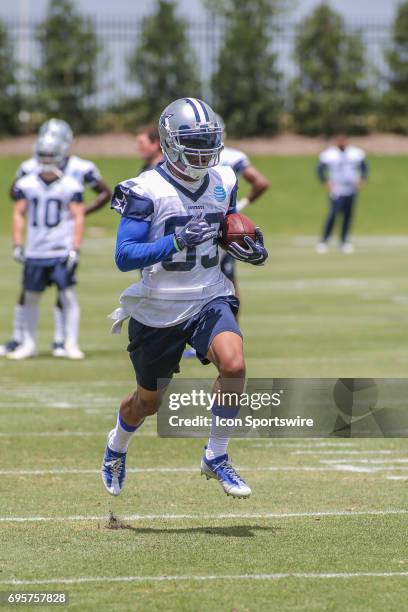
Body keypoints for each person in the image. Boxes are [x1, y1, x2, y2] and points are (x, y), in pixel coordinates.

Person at [101, 97, 268, 499]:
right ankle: (117, 444)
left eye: (208, 140)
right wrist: (174, 240)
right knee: (147, 403)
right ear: (171, 142)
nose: (203, 150)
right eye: (194, 141)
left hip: (209, 295)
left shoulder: (225, 179)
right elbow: (124, 256)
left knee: (234, 364)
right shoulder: (144, 189)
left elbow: (227, 226)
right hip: (158, 307)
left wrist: (248, 243)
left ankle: (217, 454)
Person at [0, 119, 111, 358]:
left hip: (63, 240)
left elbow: (104, 192)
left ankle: (63, 341)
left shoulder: (79, 170)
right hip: (37, 242)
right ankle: (21, 339)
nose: (47, 157)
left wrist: (78, 214)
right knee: (28, 292)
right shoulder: (29, 171)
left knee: (65, 291)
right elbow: (16, 198)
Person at [7, 132, 85, 360]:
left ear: (60, 155)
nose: (47, 158)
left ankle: (71, 343)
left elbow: (78, 216)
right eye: (43, 154)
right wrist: (18, 243)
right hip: (35, 250)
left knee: (68, 296)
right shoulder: (26, 183)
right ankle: (28, 343)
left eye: (51, 154)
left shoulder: (70, 184)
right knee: (30, 296)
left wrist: (75, 247)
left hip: (60, 249)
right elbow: (18, 213)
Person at [316, 134, 368, 254]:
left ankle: (344, 241)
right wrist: (325, 181)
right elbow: (319, 169)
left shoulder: (355, 153)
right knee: (333, 214)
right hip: (337, 189)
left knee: (348, 216)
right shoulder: (330, 154)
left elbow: (364, 167)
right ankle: (324, 240)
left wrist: (363, 179)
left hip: (351, 188)